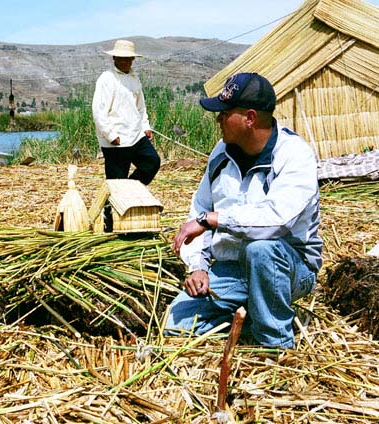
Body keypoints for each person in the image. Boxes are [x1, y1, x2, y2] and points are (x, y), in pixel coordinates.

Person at [165, 73, 322, 349]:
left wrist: (214, 220)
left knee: (260, 249)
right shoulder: (221, 153)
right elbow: (200, 207)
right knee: (176, 325)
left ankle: (275, 345)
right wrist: (198, 267)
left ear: (249, 118)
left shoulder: (294, 156)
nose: (218, 120)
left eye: (225, 114)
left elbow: (276, 220)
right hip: (233, 269)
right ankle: (254, 313)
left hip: (288, 267)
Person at [92, 39, 160, 185]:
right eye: (121, 58)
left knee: (152, 162)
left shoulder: (134, 79)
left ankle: (130, 189)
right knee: (116, 180)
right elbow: (99, 111)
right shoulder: (107, 79)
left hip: (135, 135)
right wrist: (110, 134)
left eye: (127, 58)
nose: (124, 61)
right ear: (114, 58)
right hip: (116, 139)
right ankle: (110, 206)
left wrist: (145, 126)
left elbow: (140, 106)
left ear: (132, 59)